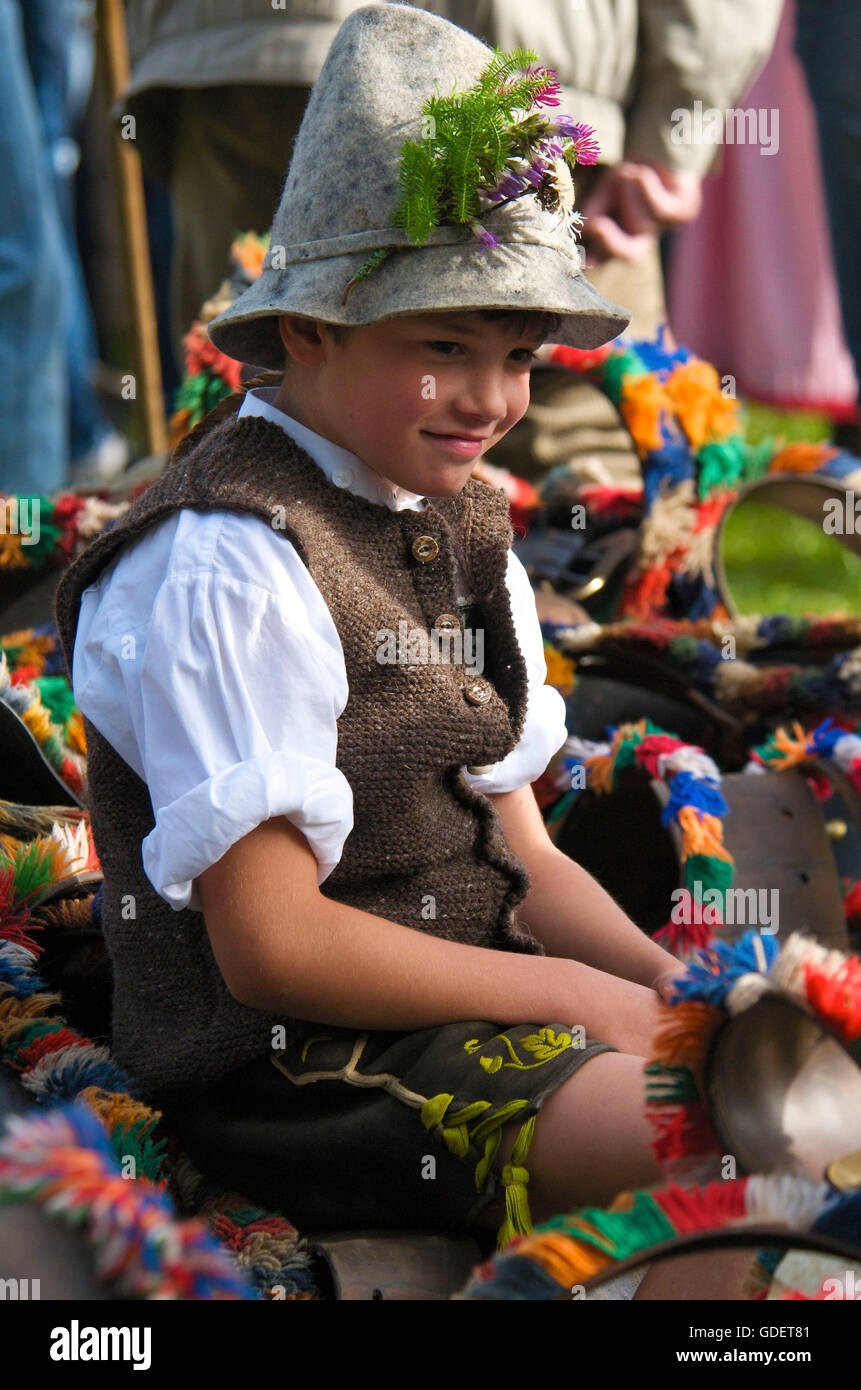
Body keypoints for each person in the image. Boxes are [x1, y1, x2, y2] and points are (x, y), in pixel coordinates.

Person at [55, 5, 749, 1297]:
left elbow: (521, 858)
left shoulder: (457, 520)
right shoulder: (226, 561)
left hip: (476, 1002)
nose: (490, 399)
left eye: (517, 357)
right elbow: (272, 946)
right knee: (703, 1145)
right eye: (442, 347)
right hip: (294, 1064)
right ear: (308, 331)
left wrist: (677, 985)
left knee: (770, 1088)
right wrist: (584, 1010)